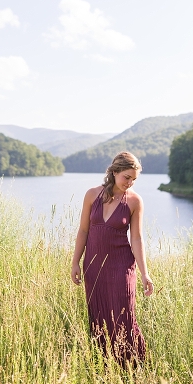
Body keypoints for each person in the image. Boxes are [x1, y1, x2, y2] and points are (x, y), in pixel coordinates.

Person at [71, 151, 154, 364]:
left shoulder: (135, 201)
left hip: (121, 267)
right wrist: (75, 262)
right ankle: (105, 367)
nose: (130, 182)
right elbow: (83, 232)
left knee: (124, 318)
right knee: (98, 319)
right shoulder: (92, 195)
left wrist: (145, 274)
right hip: (94, 267)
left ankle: (135, 367)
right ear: (115, 171)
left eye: (134, 179)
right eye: (127, 177)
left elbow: (136, 239)